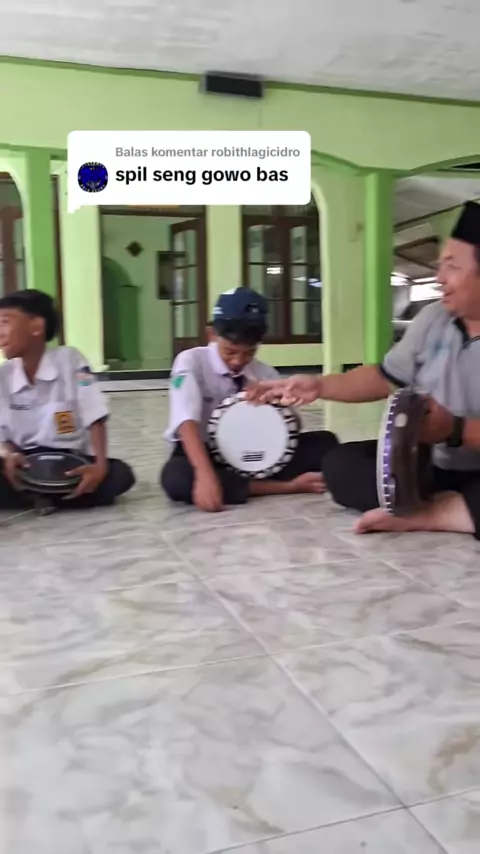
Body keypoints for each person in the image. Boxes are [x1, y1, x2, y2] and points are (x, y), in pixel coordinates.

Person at [246, 201, 480, 540]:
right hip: (431, 463)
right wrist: (318, 385)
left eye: (453, 267)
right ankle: (457, 508)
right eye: (440, 265)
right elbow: (383, 377)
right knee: (340, 464)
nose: (440, 278)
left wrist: (454, 429)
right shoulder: (434, 318)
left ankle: (433, 512)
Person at [160, 287, 338, 511]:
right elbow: (186, 420)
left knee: (326, 443)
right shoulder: (191, 361)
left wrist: (277, 405)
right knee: (176, 477)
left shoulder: (263, 373)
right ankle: (284, 486)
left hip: (254, 452)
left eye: (249, 353)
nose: (238, 361)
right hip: (203, 451)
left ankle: (234, 483)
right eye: (230, 351)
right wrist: (204, 474)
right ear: (211, 334)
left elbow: (292, 429)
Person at [0, 289, 135, 509]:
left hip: (69, 462)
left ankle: (37, 496)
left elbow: (95, 414)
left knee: (120, 474)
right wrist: (8, 455)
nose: (0, 332)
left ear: (36, 326)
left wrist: (100, 466)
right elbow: (2, 436)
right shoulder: (4, 376)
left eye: (5, 322)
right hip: (24, 463)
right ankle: (53, 496)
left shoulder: (70, 360)